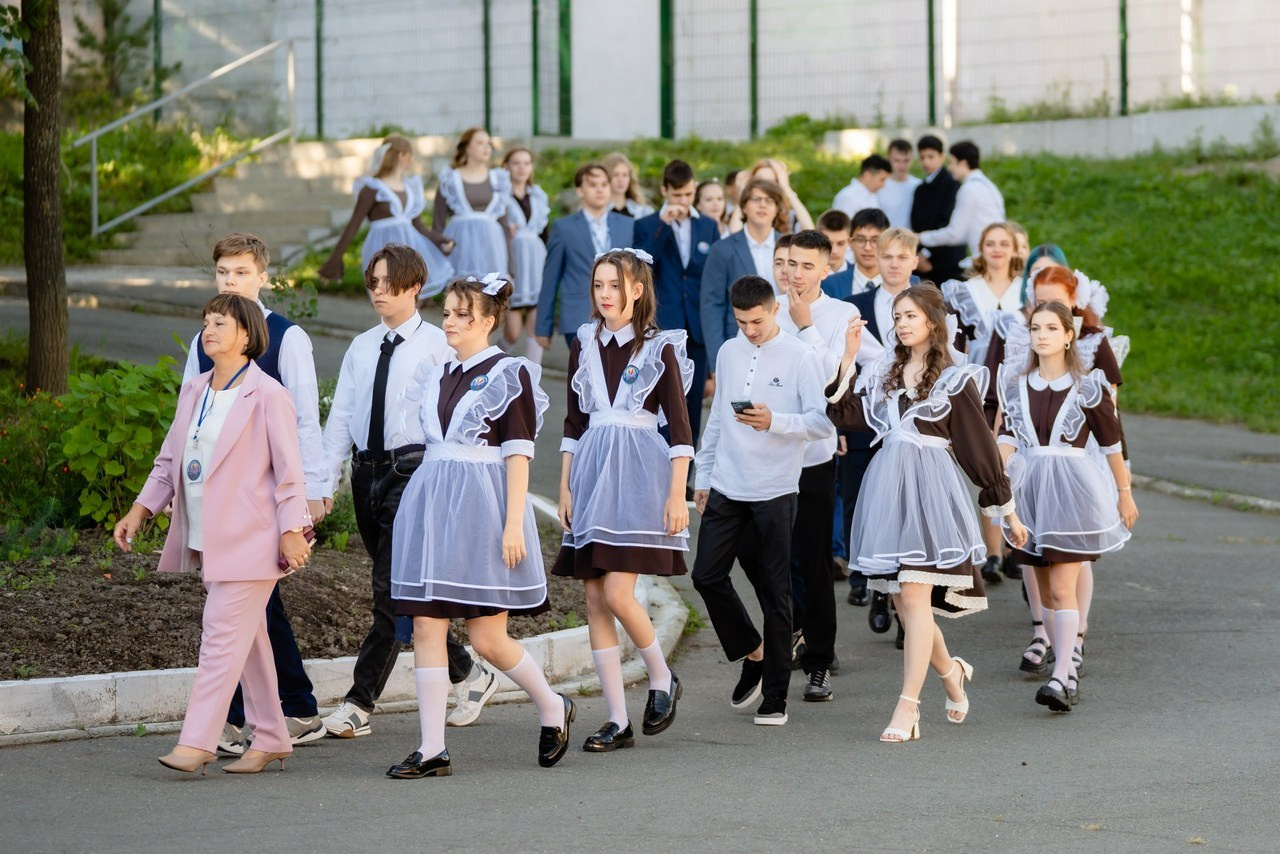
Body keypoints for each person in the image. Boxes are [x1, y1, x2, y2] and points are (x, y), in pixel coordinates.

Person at [115, 293, 313, 775]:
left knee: (220, 638)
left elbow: (290, 473)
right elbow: (170, 459)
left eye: (220, 323)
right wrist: (141, 509)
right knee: (251, 642)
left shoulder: (269, 395)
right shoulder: (195, 390)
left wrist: (293, 530)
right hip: (209, 538)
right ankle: (271, 737)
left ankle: (198, 741)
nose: (209, 330)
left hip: (254, 540)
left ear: (246, 335)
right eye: (207, 322)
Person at [386, 275, 572, 778]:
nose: (449, 321)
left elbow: (518, 455)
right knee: (426, 623)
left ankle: (553, 706)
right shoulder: (438, 373)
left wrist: (514, 525)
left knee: (487, 638)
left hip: (482, 513)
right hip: (432, 507)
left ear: (488, 320)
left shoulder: (511, 374)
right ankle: (432, 750)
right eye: (446, 312)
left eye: (461, 314)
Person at [826, 285, 1027, 743]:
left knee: (915, 599)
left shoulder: (956, 378)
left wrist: (1008, 513)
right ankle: (951, 672)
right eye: (897, 316)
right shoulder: (884, 371)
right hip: (889, 491)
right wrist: (848, 357)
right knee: (905, 602)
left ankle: (908, 706)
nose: (901, 323)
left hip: (932, 492)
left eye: (910, 316)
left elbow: (979, 449)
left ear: (933, 322)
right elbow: (844, 414)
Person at [320, 245, 496, 739]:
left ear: (415, 286)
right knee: (402, 593)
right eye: (373, 282)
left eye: (388, 283)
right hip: (365, 474)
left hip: (413, 473)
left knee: (390, 589)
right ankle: (469, 672)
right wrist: (323, 484)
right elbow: (341, 419)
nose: (378, 291)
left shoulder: (440, 345)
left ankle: (359, 703)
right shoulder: (361, 347)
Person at [180, 233, 328, 755]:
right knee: (256, 609)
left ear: (262, 277)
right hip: (218, 500)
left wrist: (314, 490)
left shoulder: (287, 338)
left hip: (266, 499)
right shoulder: (205, 339)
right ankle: (290, 711)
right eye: (223, 272)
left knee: (246, 606)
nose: (231, 281)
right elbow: (189, 420)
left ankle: (237, 719)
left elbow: (304, 418)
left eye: (241, 273)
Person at [552, 249, 693, 752]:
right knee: (594, 598)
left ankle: (661, 676)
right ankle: (617, 720)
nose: (605, 294)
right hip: (591, 477)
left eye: (615, 285)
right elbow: (574, 422)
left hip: (638, 481)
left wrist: (677, 494)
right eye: (598, 285)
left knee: (616, 593)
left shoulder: (660, 347)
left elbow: (680, 430)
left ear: (637, 290)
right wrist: (565, 487)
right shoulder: (584, 342)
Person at [692, 275, 834, 727]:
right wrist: (703, 476)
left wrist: (775, 421)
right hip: (727, 484)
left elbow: (821, 424)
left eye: (757, 321)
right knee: (705, 575)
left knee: (776, 593)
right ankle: (752, 651)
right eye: (741, 322)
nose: (749, 330)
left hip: (775, 489)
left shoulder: (800, 355)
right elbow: (717, 418)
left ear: (775, 310)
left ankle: (776, 697)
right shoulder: (728, 351)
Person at [996, 300, 1138, 711]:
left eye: (1051, 329)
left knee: (1062, 587)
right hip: (1030, 493)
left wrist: (1124, 492)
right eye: (1035, 328)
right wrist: (999, 478)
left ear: (1068, 336)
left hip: (1073, 491)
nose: (1042, 336)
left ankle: (1061, 675)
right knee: (1043, 592)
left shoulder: (1088, 386)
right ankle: (1065, 670)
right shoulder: (1015, 385)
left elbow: (1111, 443)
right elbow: (1009, 435)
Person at [773, 230, 882, 700]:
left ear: (826, 269)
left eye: (805, 266)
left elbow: (834, 381)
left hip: (814, 454)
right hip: (768, 452)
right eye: (788, 263)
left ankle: (820, 658)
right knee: (773, 557)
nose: (794, 274)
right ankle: (790, 636)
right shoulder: (768, 308)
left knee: (814, 557)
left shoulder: (843, 315)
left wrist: (805, 327)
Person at [840, 227, 921, 615]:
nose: (893, 264)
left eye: (902, 257)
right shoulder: (854, 306)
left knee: (907, 507)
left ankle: (903, 594)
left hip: (914, 424)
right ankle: (867, 579)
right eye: (887, 256)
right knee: (860, 499)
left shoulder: (931, 304)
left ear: (915, 262)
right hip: (863, 420)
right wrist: (840, 425)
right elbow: (842, 365)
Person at [635, 159, 720, 445]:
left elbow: (712, 277)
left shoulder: (708, 226)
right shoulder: (647, 225)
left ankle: (686, 468)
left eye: (688, 194)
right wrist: (663, 225)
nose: (683, 201)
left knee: (692, 405)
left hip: (696, 326)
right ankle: (659, 461)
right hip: (662, 325)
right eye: (677, 195)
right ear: (665, 191)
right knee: (661, 402)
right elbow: (641, 266)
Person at [319, 134, 455, 296]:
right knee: (386, 296)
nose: (412, 160)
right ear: (402, 155)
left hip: (409, 252)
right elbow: (353, 225)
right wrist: (335, 260)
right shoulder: (372, 188)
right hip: (382, 250)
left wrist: (439, 239)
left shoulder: (410, 188)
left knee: (407, 297)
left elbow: (418, 226)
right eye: (410, 155)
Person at [535, 163, 635, 351]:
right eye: (593, 185)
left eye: (604, 184)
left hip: (622, 317)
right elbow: (550, 279)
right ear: (580, 190)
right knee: (583, 369)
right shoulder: (563, 228)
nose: (600, 189)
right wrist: (543, 326)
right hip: (578, 318)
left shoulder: (628, 225)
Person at [701, 178, 784, 368]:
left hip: (783, 341)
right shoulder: (722, 249)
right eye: (756, 199)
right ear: (744, 207)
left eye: (769, 200)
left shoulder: (789, 246)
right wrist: (717, 360)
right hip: (739, 343)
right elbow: (711, 306)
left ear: (777, 208)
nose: (763, 205)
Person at [433, 127, 511, 279]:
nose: (486, 147)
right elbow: (438, 224)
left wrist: (511, 268)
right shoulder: (450, 179)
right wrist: (440, 255)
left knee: (490, 290)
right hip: (460, 248)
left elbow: (505, 225)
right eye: (480, 143)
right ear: (467, 148)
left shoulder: (499, 179)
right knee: (461, 290)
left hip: (492, 250)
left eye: (488, 143)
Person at [918, 140, 1006, 264]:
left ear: (963, 163)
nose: (950, 168)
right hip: (998, 255)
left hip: (985, 259)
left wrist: (921, 237)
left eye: (952, 162)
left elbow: (955, 234)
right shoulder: (990, 186)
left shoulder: (969, 189)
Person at [501, 147, 550, 363]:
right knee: (512, 333)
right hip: (513, 266)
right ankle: (489, 367)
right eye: (516, 163)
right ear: (506, 167)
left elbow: (544, 233)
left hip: (536, 265)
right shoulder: (500, 197)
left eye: (526, 163)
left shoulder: (538, 196)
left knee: (535, 331)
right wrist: (505, 229)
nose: (522, 168)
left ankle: (532, 379)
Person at [910, 134, 965, 285]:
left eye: (931, 156)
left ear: (942, 156)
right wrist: (918, 255)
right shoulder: (920, 189)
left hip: (947, 261)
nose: (926, 162)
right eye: (922, 157)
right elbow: (916, 225)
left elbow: (948, 223)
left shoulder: (953, 185)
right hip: (922, 263)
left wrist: (926, 253)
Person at [747, 158, 812, 232]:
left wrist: (786, 188)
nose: (764, 186)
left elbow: (809, 232)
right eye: (759, 180)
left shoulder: (790, 218)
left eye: (771, 182)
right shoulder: (743, 214)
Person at [878, 139, 922, 229]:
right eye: (897, 160)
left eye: (906, 160)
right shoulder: (879, 186)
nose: (902, 166)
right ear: (888, 159)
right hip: (885, 237)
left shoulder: (919, 186)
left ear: (912, 160)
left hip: (911, 237)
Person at [832, 154, 890, 219]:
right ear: (867, 175)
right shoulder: (847, 197)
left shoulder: (872, 196)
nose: (883, 185)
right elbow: (843, 225)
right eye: (882, 180)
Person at [603, 151, 654, 218]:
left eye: (625, 175)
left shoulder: (643, 211)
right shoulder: (596, 211)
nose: (621, 180)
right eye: (615, 175)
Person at [815, 209, 853, 299]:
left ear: (849, 242)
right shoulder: (808, 276)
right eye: (829, 243)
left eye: (840, 243)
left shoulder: (858, 276)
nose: (834, 251)